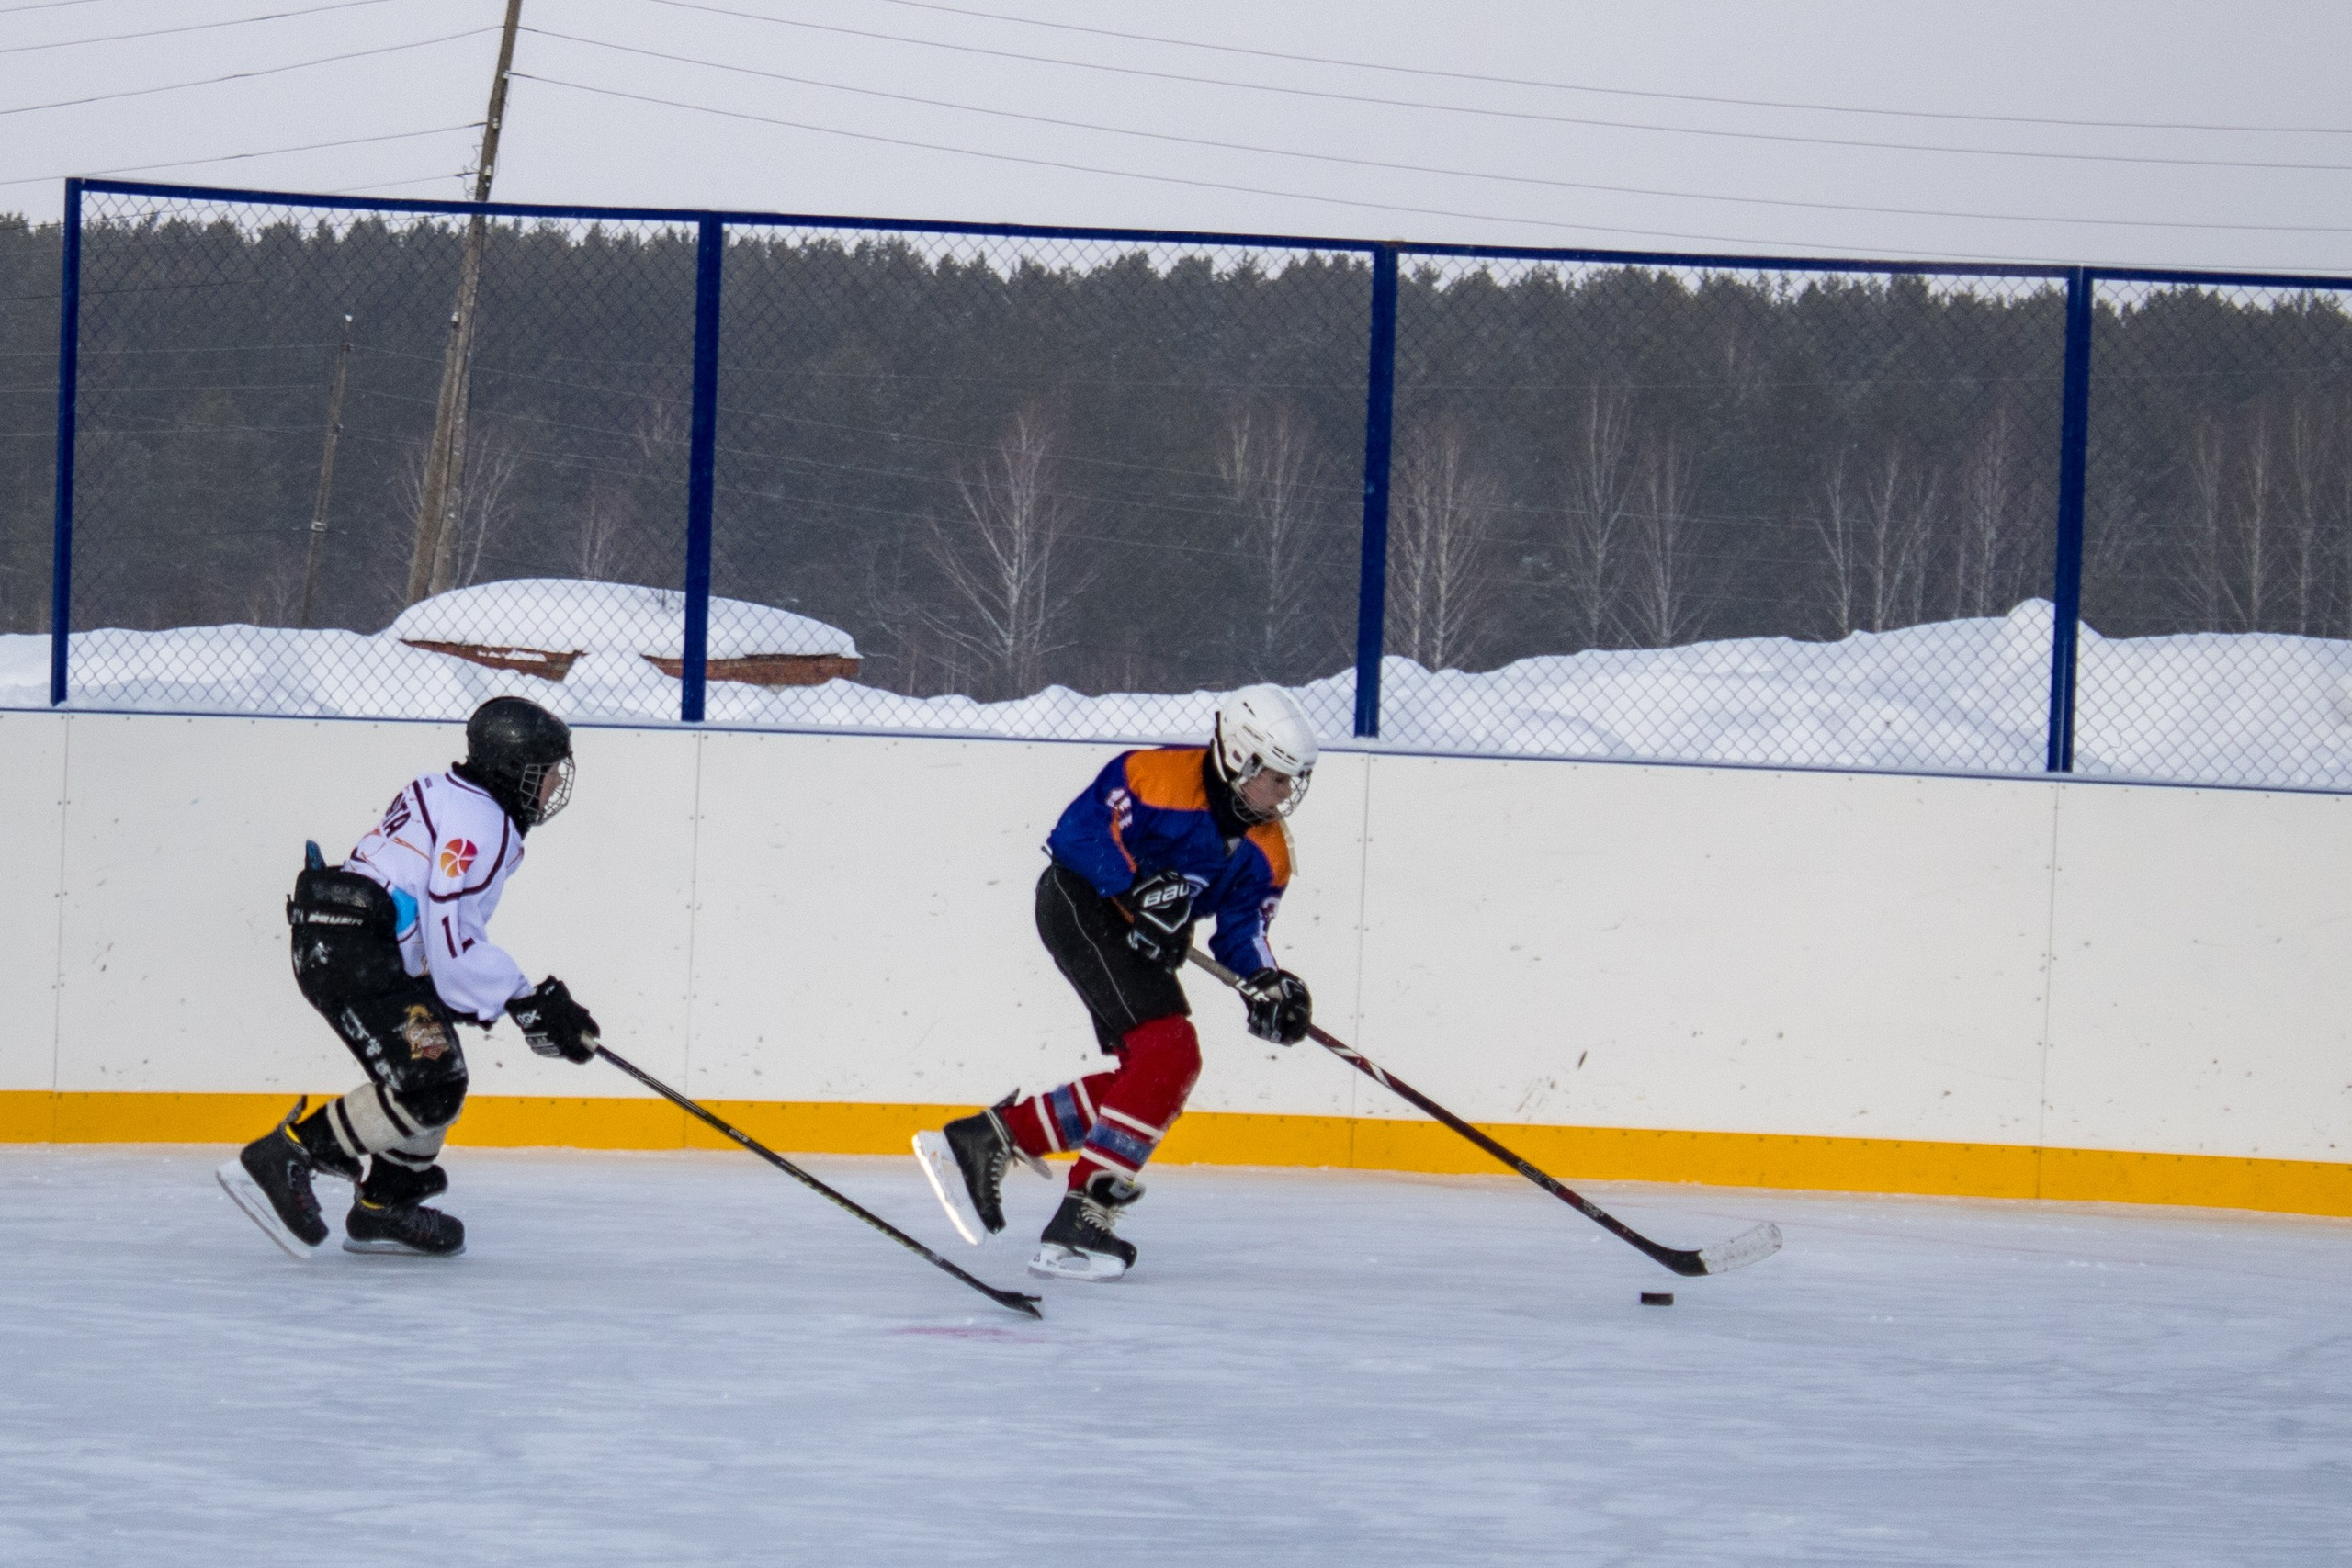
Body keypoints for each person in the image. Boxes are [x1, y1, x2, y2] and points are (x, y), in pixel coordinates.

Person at [915, 684, 1319, 1281]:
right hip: (1079, 902)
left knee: (1161, 1070)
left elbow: (1242, 931)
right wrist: (1136, 888)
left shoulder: (1269, 851)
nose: (1286, 794)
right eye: (1278, 778)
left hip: (1138, 939)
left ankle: (989, 1140)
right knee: (1169, 1052)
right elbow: (1075, 835)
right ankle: (1082, 1219)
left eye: (1294, 780)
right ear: (1241, 758)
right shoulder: (1150, 775)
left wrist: (1266, 981)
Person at [218, 696, 603, 1259]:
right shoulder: (482, 823)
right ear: (514, 771)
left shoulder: (447, 788)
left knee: (439, 1072)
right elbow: (452, 937)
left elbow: (434, 926)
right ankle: (287, 1153)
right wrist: (526, 1001)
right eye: (546, 773)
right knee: (428, 1085)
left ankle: (384, 1205)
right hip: (352, 948)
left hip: (350, 940)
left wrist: (522, 1002)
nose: (552, 787)